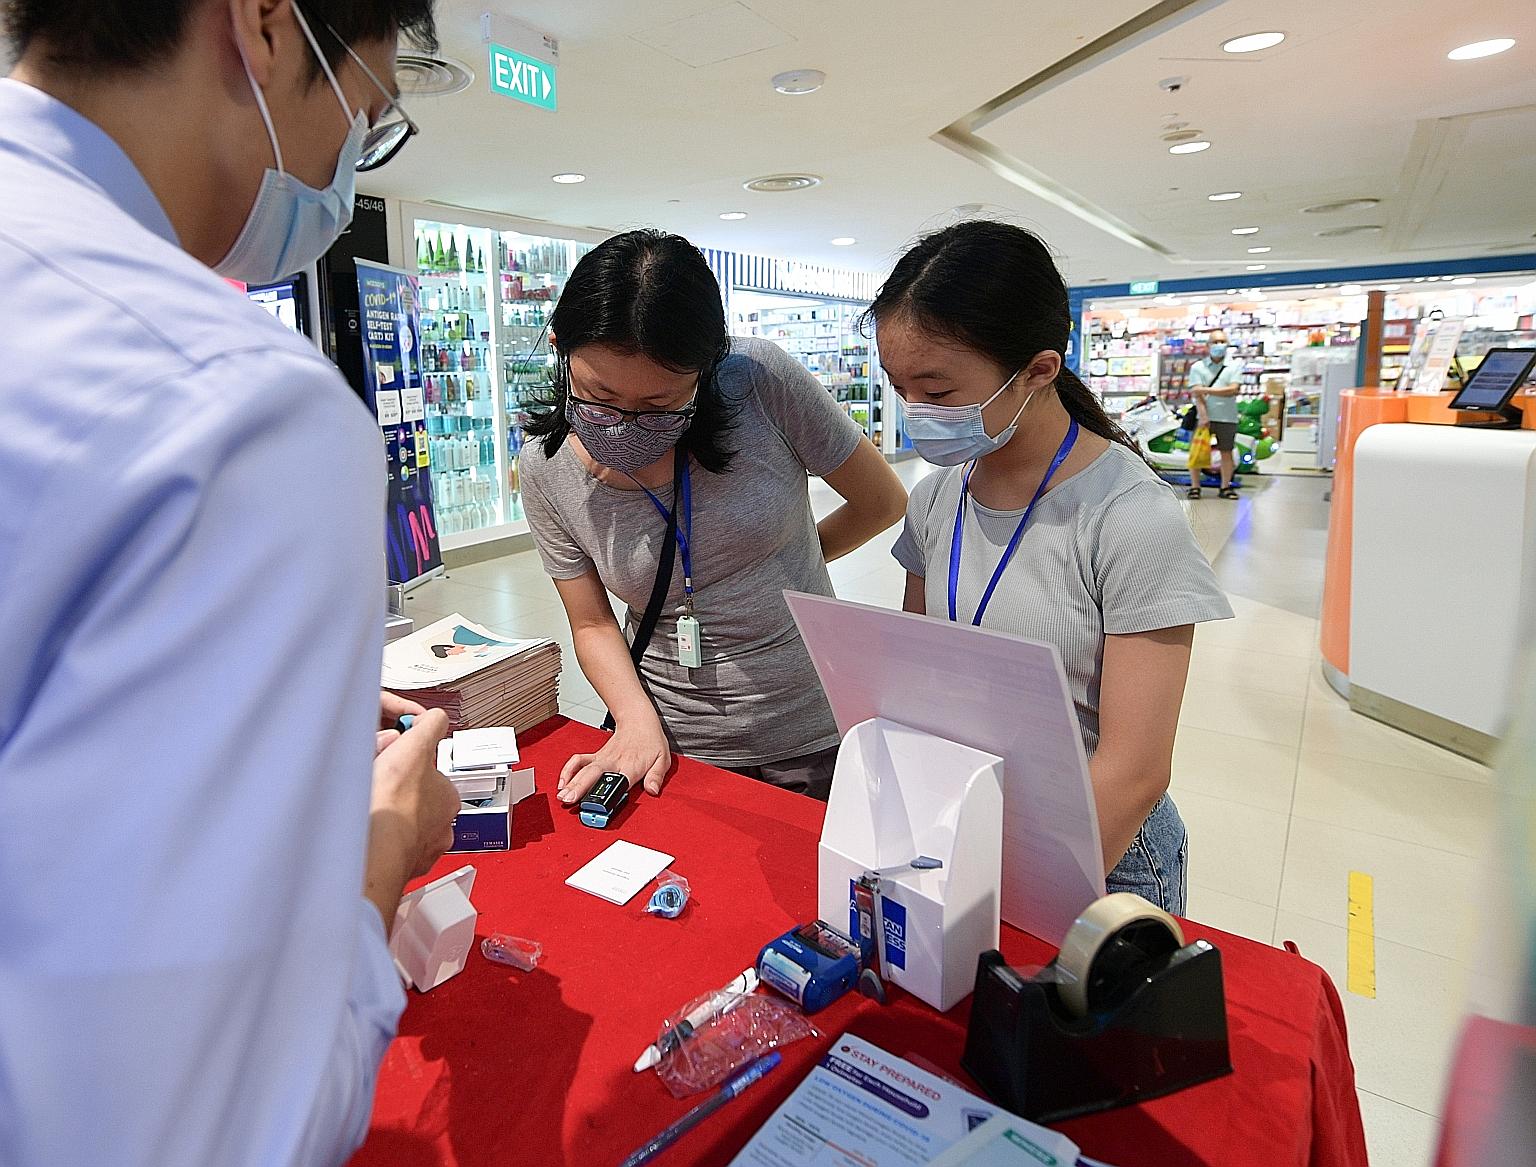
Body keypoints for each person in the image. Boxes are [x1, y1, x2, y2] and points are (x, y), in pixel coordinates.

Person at [0, 2, 462, 1164]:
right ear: (261, 25)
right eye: (363, 117)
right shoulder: (240, 411)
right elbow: (227, 1126)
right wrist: (386, 847)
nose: (339, 173)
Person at [873, 221, 1233, 914]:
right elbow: (918, 670)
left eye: (938, 392)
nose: (915, 411)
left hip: (1101, 853)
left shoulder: (1131, 517)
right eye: (899, 387)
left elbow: (1134, 768)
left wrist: (1019, 886)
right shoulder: (936, 497)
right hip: (965, 822)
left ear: (1038, 371)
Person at [520, 230, 907, 804]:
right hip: (669, 742)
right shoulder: (545, 470)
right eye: (599, 395)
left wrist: (789, 559)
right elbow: (593, 623)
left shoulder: (760, 384)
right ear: (559, 348)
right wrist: (634, 721)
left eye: (659, 405)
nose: (625, 422)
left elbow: (882, 501)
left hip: (809, 726)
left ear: (705, 371)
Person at [1186, 329, 1242, 499]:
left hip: (1228, 417)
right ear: (1208, 345)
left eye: (1223, 341)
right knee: (1197, 451)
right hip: (1203, 418)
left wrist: (1204, 389)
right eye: (1215, 342)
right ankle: (1195, 487)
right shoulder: (1198, 367)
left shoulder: (1234, 366)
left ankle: (1225, 487)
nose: (1219, 345)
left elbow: (1233, 390)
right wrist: (1203, 416)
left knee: (1227, 452)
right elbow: (1197, 395)